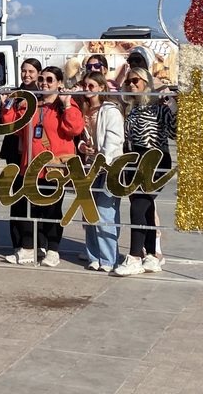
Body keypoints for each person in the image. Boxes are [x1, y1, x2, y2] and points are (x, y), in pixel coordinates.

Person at [2, 65, 84, 267]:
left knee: (52, 210)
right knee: (27, 209)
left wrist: (66, 105)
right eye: (41, 79)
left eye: (49, 80)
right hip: (29, 166)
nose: (44, 83)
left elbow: (74, 128)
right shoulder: (31, 104)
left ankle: (53, 250)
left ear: (59, 83)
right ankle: (28, 249)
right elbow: (12, 127)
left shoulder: (65, 104)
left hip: (54, 168)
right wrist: (8, 104)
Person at [114, 67, 177, 276]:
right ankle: (151, 254)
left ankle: (134, 256)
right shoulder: (131, 108)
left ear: (146, 83)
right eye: (128, 82)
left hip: (155, 159)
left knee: (139, 206)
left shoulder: (158, 106)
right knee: (145, 207)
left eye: (136, 81)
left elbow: (176, 133)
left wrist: (174, 107)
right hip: (133, 160)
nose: (132, 85)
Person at [77, 72, 124, 272]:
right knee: (89, 213)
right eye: (85, 86)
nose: (88, 90)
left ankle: (108, 258)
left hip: (108, 166)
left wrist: (102, 159)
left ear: (101, 87)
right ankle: (94, 255)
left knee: (106, 212)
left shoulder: (110, 110)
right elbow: (79, 136)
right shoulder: (83, 109)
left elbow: (114, 139)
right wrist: (82, 147)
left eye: (91, 86)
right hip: (89, 166)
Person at [0, 58, 42, 252]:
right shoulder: (15, 94)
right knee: (17, 198)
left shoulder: (43, 94)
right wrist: (7, 104)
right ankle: (18, 243)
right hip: (15, 153)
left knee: (37, 199)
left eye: (31, 71)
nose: (27, 75)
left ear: (38, 73)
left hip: (36, 153)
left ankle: (38, 244)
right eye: (24, 71)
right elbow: (6, 120)